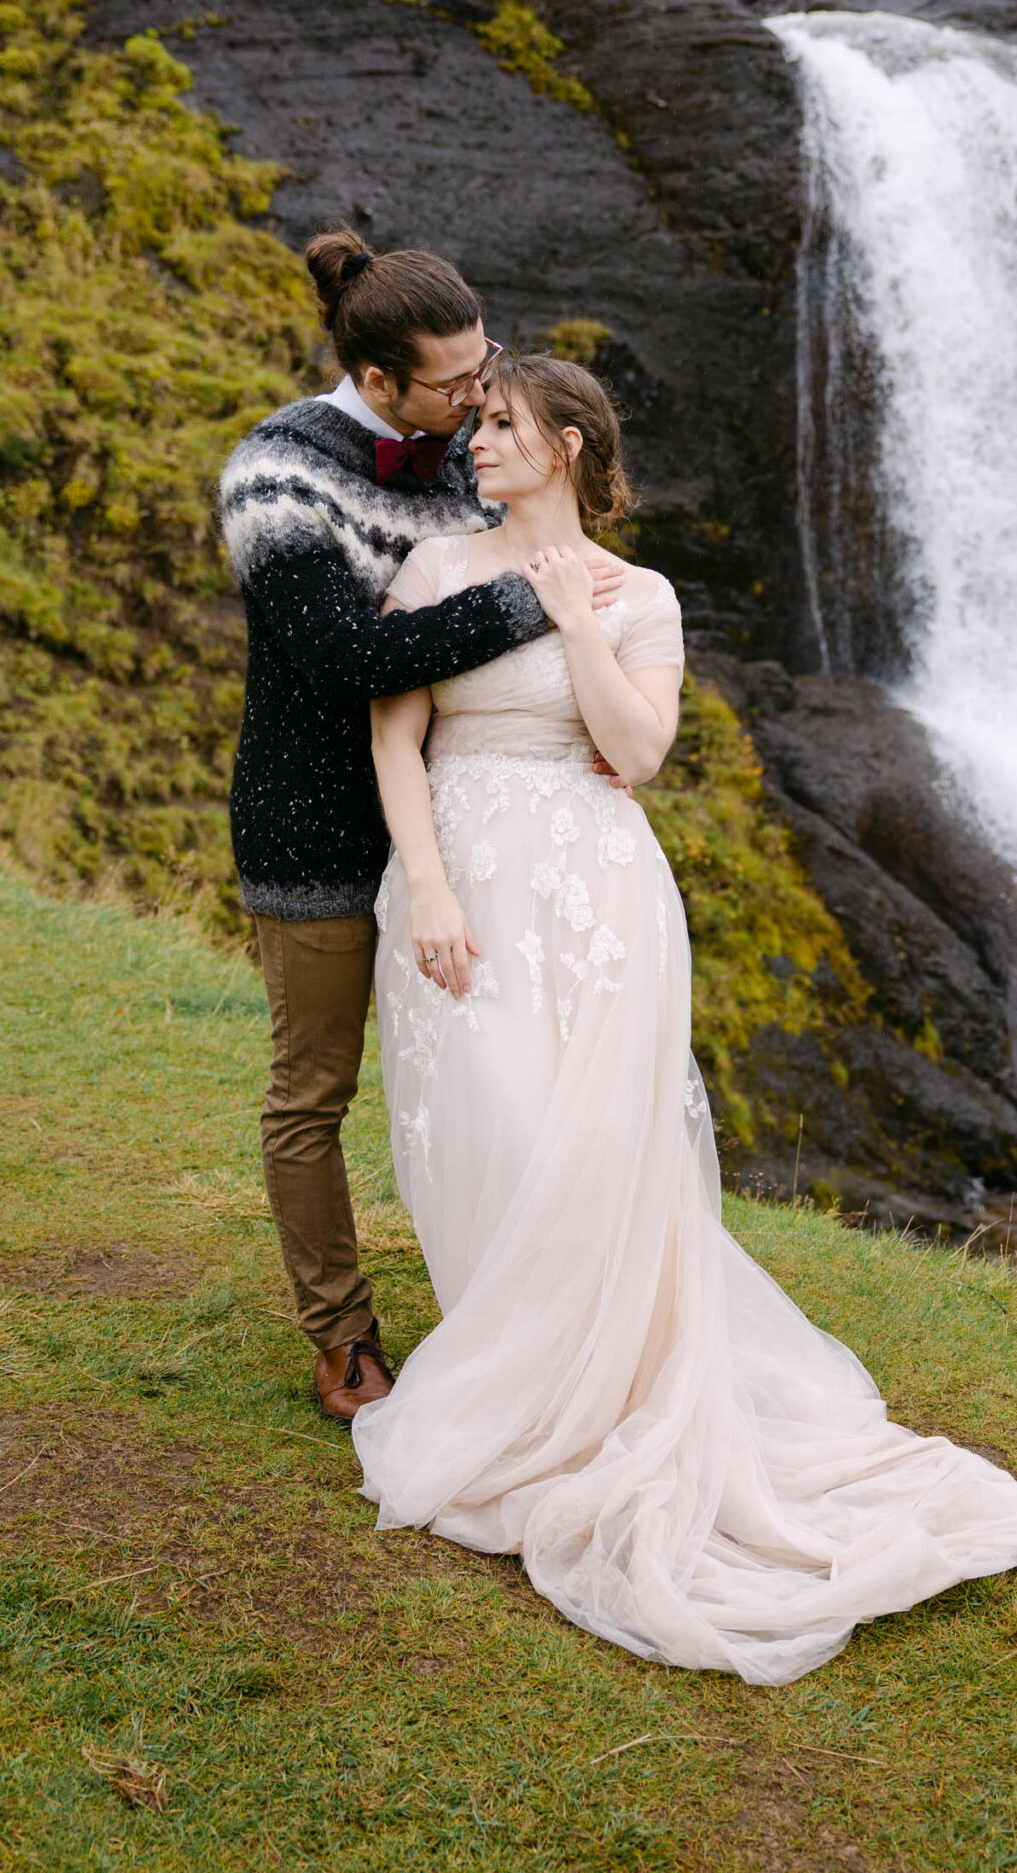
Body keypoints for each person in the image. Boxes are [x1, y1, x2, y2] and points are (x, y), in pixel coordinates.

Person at [352, 354, 1017, 1685]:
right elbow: (392, 740)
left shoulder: (637, 594)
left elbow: (635, 753)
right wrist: (422, 885)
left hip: (596, 893)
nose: (474, 442)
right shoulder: (427, 570)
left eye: (500, 426)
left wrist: (571, 620)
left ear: (571, 445)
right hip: (458, 879)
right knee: (478, 1124)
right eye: (473, 424)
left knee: (586, 1149)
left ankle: (587, 1399)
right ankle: (521, 1378)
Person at [218, 236, 624, 1424]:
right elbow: (346, 659)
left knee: (505, 1075)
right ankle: (341, 1333)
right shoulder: (274, 476)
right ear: (379, 380)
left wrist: (581, 694)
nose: (477, 398)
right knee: (315, 1088)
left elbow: (548, 547)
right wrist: (521, 602)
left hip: (478, 828)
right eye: (454, 384)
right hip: (321, 830)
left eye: (482, 365)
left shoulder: (471, 444)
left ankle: (519, 1312)